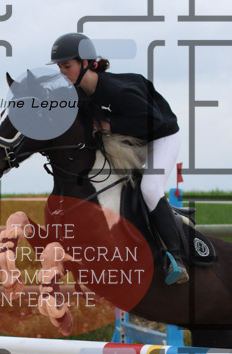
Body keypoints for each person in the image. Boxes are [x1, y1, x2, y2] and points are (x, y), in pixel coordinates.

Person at [49, 32, 188, 285]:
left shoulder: (118, 90)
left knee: (150, 188)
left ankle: (175, 257)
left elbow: (154, 122)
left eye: (67, 66)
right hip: (132, 141)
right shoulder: (80, 93)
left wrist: (109, 124)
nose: (63, 72)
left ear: (86, 63)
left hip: (161, 138)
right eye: (60, 67)